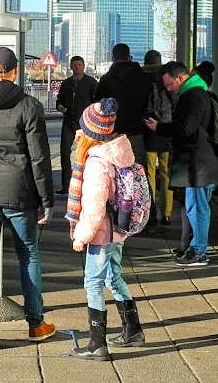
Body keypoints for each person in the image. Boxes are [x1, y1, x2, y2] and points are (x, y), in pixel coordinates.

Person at [0, 46, 55, 351]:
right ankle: (36, 324)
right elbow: (40, 158)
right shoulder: (29, 105)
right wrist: (47, 201)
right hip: (20, 192)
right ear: (16, 71)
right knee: (29, 255)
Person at [71, 131, 142, 360]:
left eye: (80, 130)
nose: (76, 134)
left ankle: (97, 343)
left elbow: (94, 207)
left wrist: (81, 237)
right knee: (114, 277)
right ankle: (133, 330)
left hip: (102, 233)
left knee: (93, 282)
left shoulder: (97, 162)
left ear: (91, 134)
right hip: (118, 230)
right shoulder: (118, 152)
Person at [145, 61, 218, 266]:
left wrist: (160, 128)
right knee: (193, 206)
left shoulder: (194, 95)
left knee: (197, 208)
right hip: (196, 162)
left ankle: (199, 251)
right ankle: (194, 248)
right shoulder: (195, 93)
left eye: (170, 85)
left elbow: (186, 129)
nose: (169, 89)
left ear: (180, 78)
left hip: (198, 164)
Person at [95, 43, 152, 208]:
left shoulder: (107, 79)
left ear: (113, 58)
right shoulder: (143, 78)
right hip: (137, 132)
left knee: (116, 175)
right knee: (140, 174)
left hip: (114, 135)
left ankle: (121, 213)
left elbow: (99, 106)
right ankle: (147, 214)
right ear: (130, 56)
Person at [55, 55, 98, 193]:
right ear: (71, 67)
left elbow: (97, 102)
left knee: (85, 154)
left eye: (79, 65)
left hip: (85, 124)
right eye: (74, 65)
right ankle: (66, 185)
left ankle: (85, 184)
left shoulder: (91, 83)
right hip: (68, 121)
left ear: (83, 66)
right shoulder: (66, 83)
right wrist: (60, 107)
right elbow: (59, 101)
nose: (77, 67)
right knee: (64, 152)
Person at [143, 50, 174, 225]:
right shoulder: (167, 77)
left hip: (149, 128)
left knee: (149, 172)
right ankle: (167, 212)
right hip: (167, 129)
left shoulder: (142, 77)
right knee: (166, 173)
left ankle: (151, 209)